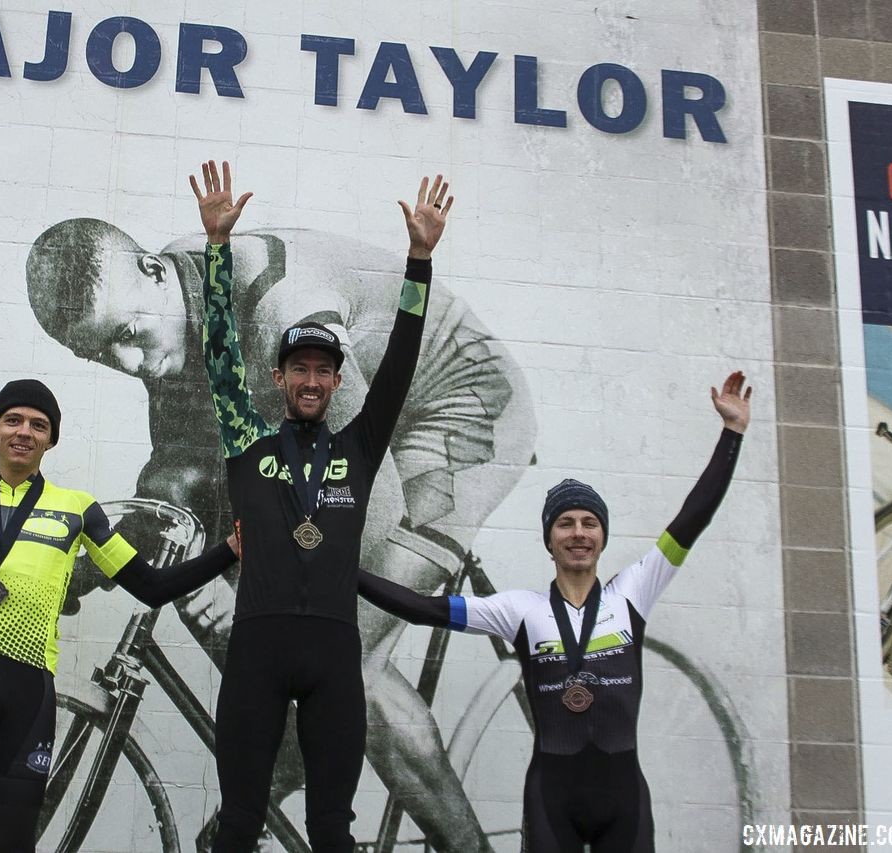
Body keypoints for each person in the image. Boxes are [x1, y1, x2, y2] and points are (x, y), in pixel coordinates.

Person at [27, 209, 533, 852]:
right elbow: (180, 476)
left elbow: (359, 503)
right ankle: (289, 751)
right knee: (205, 592)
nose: (130, 363)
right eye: (100, 353)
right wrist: (87, 560)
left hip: (454, 405)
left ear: (154, 272)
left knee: (348, 659)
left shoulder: (279, 312)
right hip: (357, 412)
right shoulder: (174, 308)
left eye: (127, 334)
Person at [0, 285, 240, 852]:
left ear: (51, 439)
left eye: (37, 424)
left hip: (26, 694)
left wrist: (226, 551)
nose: (24, 430)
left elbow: (151, 586)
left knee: (12, 844)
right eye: (13, 420)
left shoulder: (78, 511)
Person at [357, 371, 752, 853]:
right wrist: (346, 572)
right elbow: (422, 608)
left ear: (602, 537)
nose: (579, 533)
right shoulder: (520, 610)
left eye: (590, 523)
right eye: (565, 524)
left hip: (623, 800)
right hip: (550, 802)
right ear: (549, 540)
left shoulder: (633, 593)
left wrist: (731, 433)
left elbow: (693, 518)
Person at [189, 159, 451, 851]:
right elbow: (219, 357)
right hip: (258, 653)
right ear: (279, 377)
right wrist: (217, 248)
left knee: (333, 827)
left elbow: (399, 359)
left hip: (333, 654)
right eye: (298, 368)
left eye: (322, 370)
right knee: (241, 821)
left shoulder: (358, 449)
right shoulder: (248, 442)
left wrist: (418, 261)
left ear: (337, 380)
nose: (310, 380)